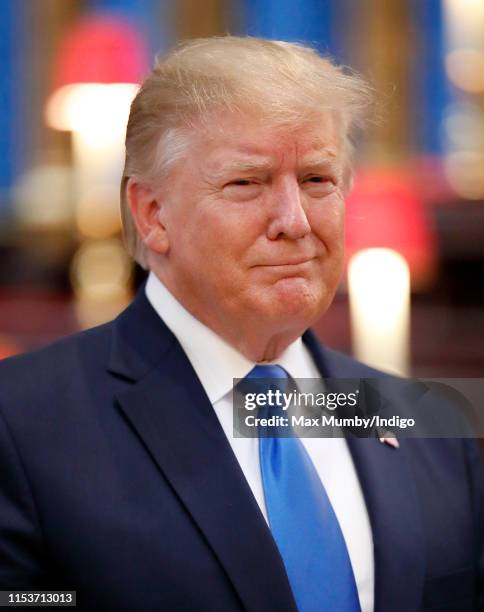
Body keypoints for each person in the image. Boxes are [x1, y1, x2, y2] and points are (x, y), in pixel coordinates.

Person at [0, 36, 482, 612]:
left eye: (317, 180)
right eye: (246, 183)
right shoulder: (21, 422)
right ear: (153, 214)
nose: (294, 221)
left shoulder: (429, 419)